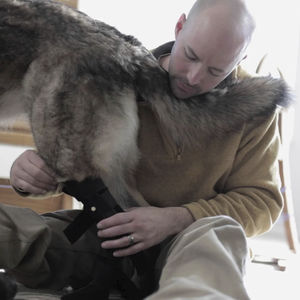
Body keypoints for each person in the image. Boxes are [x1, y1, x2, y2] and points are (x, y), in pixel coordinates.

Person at [1, 0, 288, 299]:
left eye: (215, 70)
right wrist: (27, 174)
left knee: (216, 235)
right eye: (190, 56)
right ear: (179, 27)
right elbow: (68, 170)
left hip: (190, 241)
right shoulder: (111, 73)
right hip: (106, 234)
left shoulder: (257, 109)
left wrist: (177, 218)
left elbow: (263, 202)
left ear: (241, 58)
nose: (194, 78)